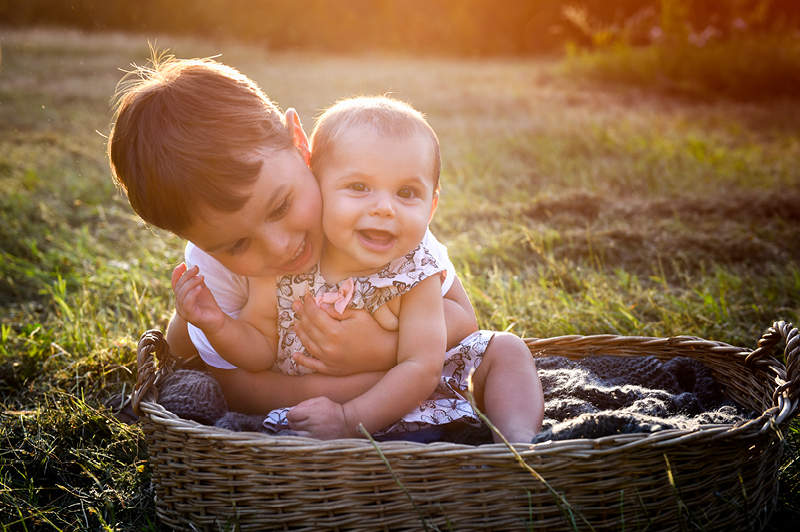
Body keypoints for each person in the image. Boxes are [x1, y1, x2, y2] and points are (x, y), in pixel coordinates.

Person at [108, 55, 543, 442]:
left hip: (411, 372)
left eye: (282, 206)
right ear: (197, 243)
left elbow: (463, 321)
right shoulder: (218, 269)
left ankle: (522, 451)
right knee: (185, 347)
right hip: (304, 396)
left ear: (300, 144)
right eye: (238, 244)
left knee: (504, 348)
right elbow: (239, 386)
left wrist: (374, 350)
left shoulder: (373, 213)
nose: (280, 247)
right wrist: (361, 397)